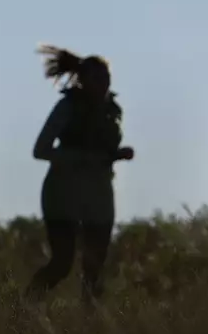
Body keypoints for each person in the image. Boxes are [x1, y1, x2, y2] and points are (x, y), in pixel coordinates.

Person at [28, 45, 134, 305]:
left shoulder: (114, 110)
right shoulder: (67, 107)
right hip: (62, 194)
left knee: (95, 266)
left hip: (99, 194)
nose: (103, 83)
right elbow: (40, 150)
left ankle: (89, 326)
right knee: (62, 264)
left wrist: (118, 154)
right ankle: (24, 307)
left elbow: (104, 150)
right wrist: (82, 158)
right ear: (83, 80)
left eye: (106, 78)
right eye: (97, 78)